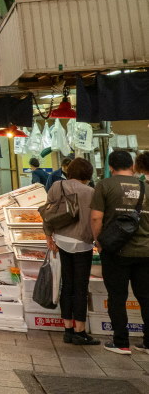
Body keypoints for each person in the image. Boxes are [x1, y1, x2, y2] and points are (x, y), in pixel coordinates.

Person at [91, 149, 149, 355]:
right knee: (146, 297)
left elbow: (96, 218)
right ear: (132, 166)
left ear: (111, 167)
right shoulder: (145, 186)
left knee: (117, 296)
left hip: (115, 250)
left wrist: (99, 242)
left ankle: (121, 342)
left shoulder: (104, 185)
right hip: (145, 252)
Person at [44, 157, 98, 346]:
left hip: (61, 240)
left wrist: (48, 236)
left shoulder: (56, 186)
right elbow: (95, 220)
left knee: (67, 285)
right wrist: (98, 240)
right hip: (83, 243)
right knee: (80, 287)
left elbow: (48, 213)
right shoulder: (91, 192)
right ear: (88, 174)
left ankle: (67, 329)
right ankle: (80, 331)